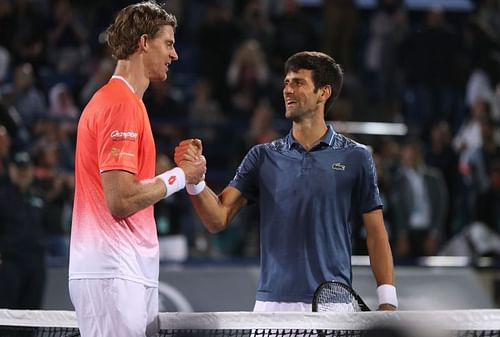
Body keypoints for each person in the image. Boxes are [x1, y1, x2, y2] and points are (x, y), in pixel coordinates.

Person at [175, 51, 397, 311]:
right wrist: (195, 181)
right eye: (286, 83)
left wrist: (388, 301)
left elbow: (376, 234)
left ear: (323, 93)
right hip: (272, 306)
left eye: (298, 83)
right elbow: (217, 219)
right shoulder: (262, 156)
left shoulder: (357, 156)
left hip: (333, 306)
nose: (288, 90)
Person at [68, 2, 205, 337]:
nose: (175, 56)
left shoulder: (126, 103)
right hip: (113, 270)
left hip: (123, 270)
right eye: (168, 44)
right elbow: (121, 199)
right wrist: (180, 176)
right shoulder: (120, 104)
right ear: (144, 43)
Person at [0, 151, 47, 309]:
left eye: (26, 169)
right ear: (11, 170)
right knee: (8, 317)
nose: (23, 173)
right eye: (19, 169)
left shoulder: (39, 195)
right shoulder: (3, 195)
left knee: (32, 316)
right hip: (10, 264)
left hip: (36, 264)